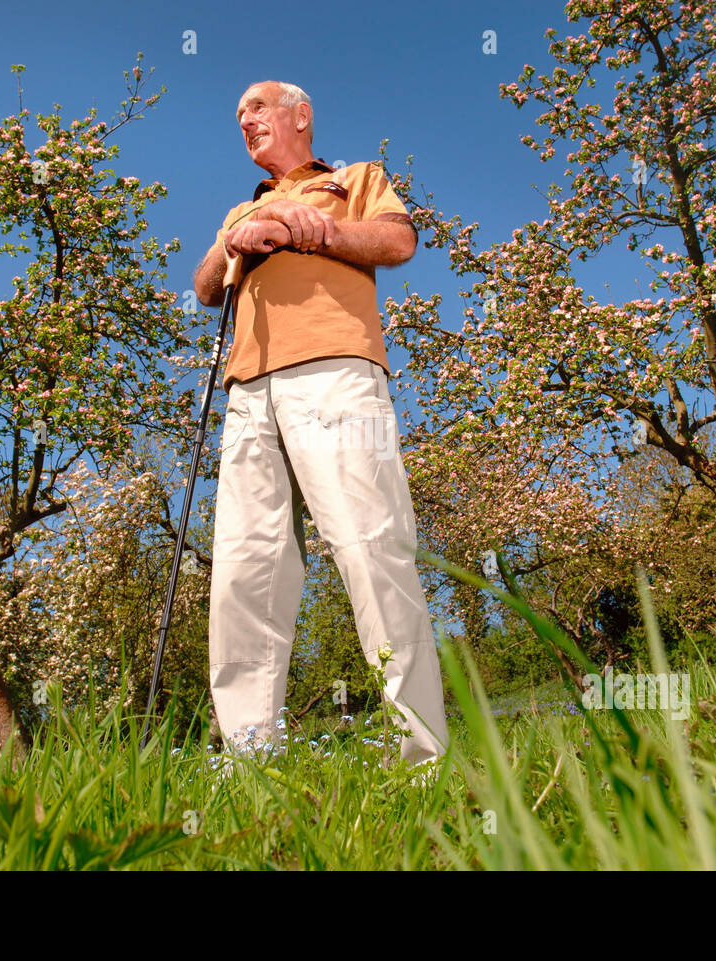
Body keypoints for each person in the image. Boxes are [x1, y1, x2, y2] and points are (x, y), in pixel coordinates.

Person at [192, 80, 450, 767]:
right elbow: (205, 286)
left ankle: (419, 751)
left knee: (370, 546)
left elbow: (397, 242)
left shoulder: (353, 178)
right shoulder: (239, 208)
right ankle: (250, 759)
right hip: (249, 390)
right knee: (246, 571)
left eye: (257, 107)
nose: (244, 120)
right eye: (237, 113)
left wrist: (320, 228)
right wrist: (237, 238)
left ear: (300, 115)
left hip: (335, 370)